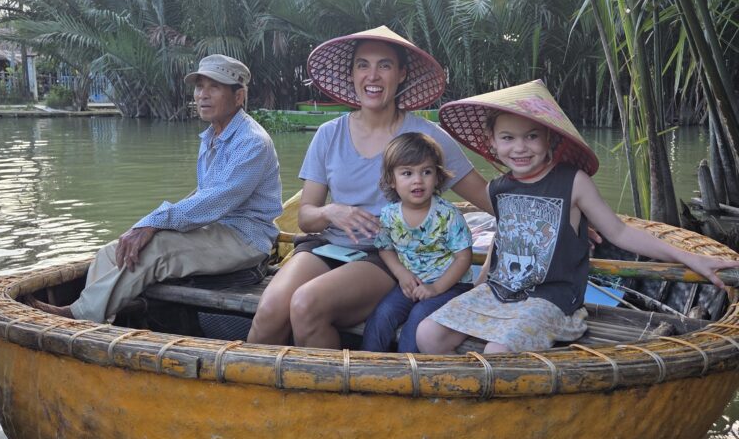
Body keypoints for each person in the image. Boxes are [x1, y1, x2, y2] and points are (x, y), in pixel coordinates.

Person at [416, 80, 735, 355]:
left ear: (549, 139)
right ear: (492, 143)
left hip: (553, 301)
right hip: (501, 292)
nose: (520, 148)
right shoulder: (499, 187)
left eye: (531, 136)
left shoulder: (573, 181)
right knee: (427, 334)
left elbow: (621, 233)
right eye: (508, 138)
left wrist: (689, 258)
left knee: (497, 350)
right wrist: (480, 287)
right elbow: (504, 238)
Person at [247, 25, 493, 349]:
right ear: (351, 74)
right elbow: (306, 217)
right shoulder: (328, 134)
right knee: (268, 309)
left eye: (385, 65)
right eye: (363, 65)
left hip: (386, 256)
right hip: (327, 246)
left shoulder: (424, 136)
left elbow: (485, 196)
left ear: (402, 74)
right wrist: (332, 211)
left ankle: (334, 396)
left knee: (306, 304)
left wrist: (561, 210)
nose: (372, 76)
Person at [31, 55, 282, 323]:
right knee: (111, 251)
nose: (202, 96)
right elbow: (202, 193)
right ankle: (102, 322)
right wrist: (148, 224)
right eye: (199, 87)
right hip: (215, 230)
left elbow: (214, 201)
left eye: (214, 87)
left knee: (157, 247)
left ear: (239, 96)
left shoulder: (252, 142)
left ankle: (78, 316)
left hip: (245, 238)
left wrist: (155, 224)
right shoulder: (212, 136)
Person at [361, 132, 474, 353]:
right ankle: (364, 366)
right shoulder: (390, 215)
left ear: (438, 177)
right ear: (392, 180)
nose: (418, 180)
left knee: (419, 316)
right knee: (383, 313)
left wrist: (436, 288)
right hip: (410, 284)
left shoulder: (448, 215)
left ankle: (408, 376)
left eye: (426, 172)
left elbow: (464, 257)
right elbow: (385, 247)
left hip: (450, 286)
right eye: (407, 173)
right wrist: (401, 274)